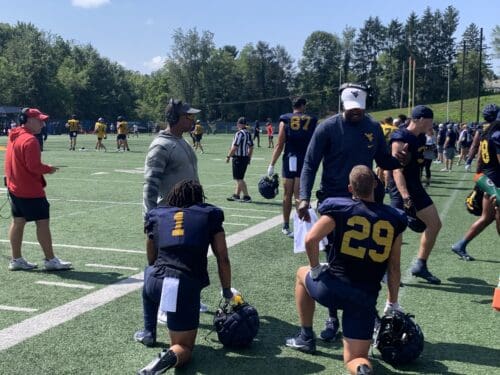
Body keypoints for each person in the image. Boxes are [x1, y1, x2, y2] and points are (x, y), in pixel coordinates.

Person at [297, 83, 407, 341]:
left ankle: (364, 308)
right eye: (350, 109)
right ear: (342, 106)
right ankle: (333, 316)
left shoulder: (372, 127)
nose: (355, 113)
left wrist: (400, 159)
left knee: (366, 258)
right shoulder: (327, 127)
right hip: (334, 202)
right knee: (335, 260)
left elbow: (382, 159)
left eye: (359, 109)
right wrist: (303, 197)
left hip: (365, 201)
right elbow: (310, 163)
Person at [285, 165, 407, 375]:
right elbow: (394, 267)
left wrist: (315, 268)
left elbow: (310, 239)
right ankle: (362, 370)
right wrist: (392, 303)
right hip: (364, 297)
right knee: (356, 358)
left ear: (350, 188)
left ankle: (306, 336)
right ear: (376, 185)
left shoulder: (339, 209)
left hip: (333, 288)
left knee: (300, 274)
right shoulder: (394, 218)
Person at [136, 180, 235, 374]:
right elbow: (222, 258)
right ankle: (162, 362)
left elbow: (151, 254)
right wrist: (226, 291)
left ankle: (149, 332)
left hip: (153, 282)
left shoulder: (157, 214)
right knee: (184, 348)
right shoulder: (210, 214)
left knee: (150, 272)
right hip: (180, 284)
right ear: (200, 197)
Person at [5, 108, 72, 271]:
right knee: (42, 223)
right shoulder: (30, 140)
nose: (43, 123)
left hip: (14, 187)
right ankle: (50, 260)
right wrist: (48, 168)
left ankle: (16, 259)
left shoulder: (14, 136)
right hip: (29, 189)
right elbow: (34, 166)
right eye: (39, 120)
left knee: (18, 222)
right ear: (28, 120)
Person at [388, 105, 442, 284]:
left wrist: (431, 139)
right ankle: (387, 270)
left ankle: (420, 264)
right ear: (418, 119)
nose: (432, 124)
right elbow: (396, 171)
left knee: (434, 224)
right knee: (396, 232)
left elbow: (426, 157)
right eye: (429, 120)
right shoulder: (400, 137)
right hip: (401, 188)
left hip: (415, 185)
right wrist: (405, 197)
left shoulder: (420, 137)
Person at [452, 111, 500, 260]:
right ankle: (460, 244)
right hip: (496, 181)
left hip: (487, 178)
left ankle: (460, 244)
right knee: (494, 217)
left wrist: (479, 178)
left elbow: (479, 158)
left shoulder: (486, 133)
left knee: (488, 217)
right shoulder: (497, 134)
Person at [267, 97, 318, 237]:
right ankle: (303, 226)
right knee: (299, 195)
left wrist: (272, 163)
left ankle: (286, 225)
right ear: (303, 105)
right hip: (306, 159)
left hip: (290, 158)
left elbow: (280, 143)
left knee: (287, 194)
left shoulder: (285, 119)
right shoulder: (312, 119)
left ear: (293, 106)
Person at [226, 117, 254, 202]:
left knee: (238, 178)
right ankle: (236, 195)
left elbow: (235, 147)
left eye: (238, 123)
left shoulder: (239, 134)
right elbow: (251, 147)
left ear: (240, 124)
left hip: (238, 158)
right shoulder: (248, 133)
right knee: (240, 177)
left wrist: (228, 156)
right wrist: (249, 158)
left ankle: (246, 196)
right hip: (245, 158)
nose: (237, 125)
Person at [465, 104, 499, 172]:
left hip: (484, 165)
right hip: (495, 166)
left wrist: (469, 161)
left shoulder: (481, 126)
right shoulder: (497, 127)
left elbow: (475, 145)